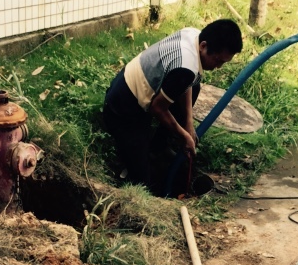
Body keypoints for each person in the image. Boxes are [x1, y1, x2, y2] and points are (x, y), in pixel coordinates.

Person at [102, 19, 243, 195]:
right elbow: (158, 108)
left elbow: (188, 83)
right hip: (123, 108)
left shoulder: (193, 34)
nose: (217, 67)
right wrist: (183, 135)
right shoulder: (185, 67)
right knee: (142, 182)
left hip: (131, 82)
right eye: (217, 60)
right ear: (204, 46)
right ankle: (142, 162)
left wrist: (189, 124)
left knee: (195, 85)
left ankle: (158, 146)